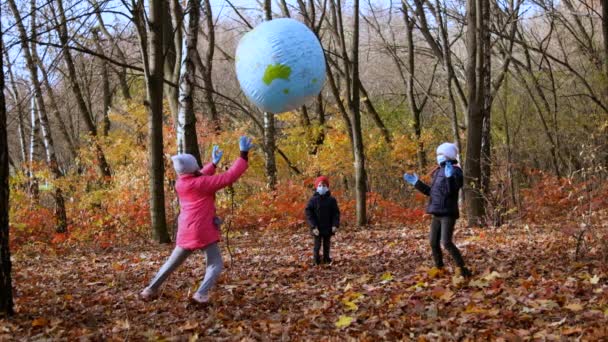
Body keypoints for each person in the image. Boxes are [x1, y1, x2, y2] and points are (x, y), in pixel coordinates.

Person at [140, 136, 254, 303]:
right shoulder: (201, 184)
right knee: (215, 264)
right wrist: (243, 155)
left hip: (186, 229)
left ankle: (150, 290)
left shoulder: (180, 183)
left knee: (172, 263)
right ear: (193, 167)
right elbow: (229, 177)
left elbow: (198, 177)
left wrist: (213, 165)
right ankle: (201, 294)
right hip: (202, 229)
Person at [403, 142, 472, 277]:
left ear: (448, 156)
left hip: (448, 213)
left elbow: (454, 188)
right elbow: (432, 192)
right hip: (436, 213)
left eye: (441, 154)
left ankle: (463, 268)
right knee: (433, 242)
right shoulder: (438, 172)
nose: (439, 157)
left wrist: (450, 178)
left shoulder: (456, 170)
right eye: (438, 154)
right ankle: (439, 268)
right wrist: (417, 184)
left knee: (446, 242)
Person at [305, 176, 340, 265]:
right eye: (320, 185)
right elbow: (309, 213)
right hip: (317, 227)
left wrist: (335, 225)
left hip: (328, 227)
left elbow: (336, 213)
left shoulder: (332, 200)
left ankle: (326, 259)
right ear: (317, 186)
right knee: (317, 245)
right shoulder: (313, 200)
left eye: (324, 185)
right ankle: (316, 260)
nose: (322, 187)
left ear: (327, 186)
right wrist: (313, 226)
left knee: (327, 244)